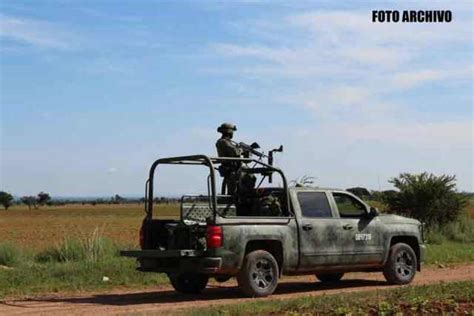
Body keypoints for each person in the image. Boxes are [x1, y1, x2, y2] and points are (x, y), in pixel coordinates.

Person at [216, 123, 242, 195]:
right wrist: (241, 150)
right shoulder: (223, 142)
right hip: (230, 169)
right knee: (233, 192)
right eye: (232, 131)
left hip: (234, 169)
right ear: (229, 131)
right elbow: (235, 152)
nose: (233, 133)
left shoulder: (228, 142)